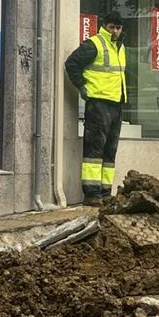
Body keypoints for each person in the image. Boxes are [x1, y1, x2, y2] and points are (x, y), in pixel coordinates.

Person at [65, 11, 126, 205]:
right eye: (112, 27)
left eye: (118, 27)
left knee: (110, 150)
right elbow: (72, 63)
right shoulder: (95, 44)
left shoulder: (119, 47)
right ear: (104, 26)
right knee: (95, 149)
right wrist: (82, 86)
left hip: (116, 103)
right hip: (98, 103)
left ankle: (105, 192)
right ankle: (91, 194)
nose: (115, 31)